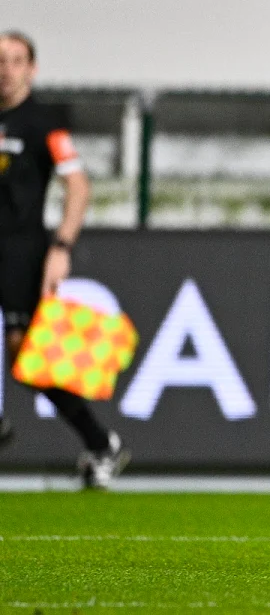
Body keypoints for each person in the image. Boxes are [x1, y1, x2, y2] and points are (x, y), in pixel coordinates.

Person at [0, 31, 128, 489]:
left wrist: (61, 247)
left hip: (20, 252)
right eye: (0, 60)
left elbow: (77, 184)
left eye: (16, 60)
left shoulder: (43, 123)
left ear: (31, 69)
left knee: (26, 360)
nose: (7, 69)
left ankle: (99, 442)